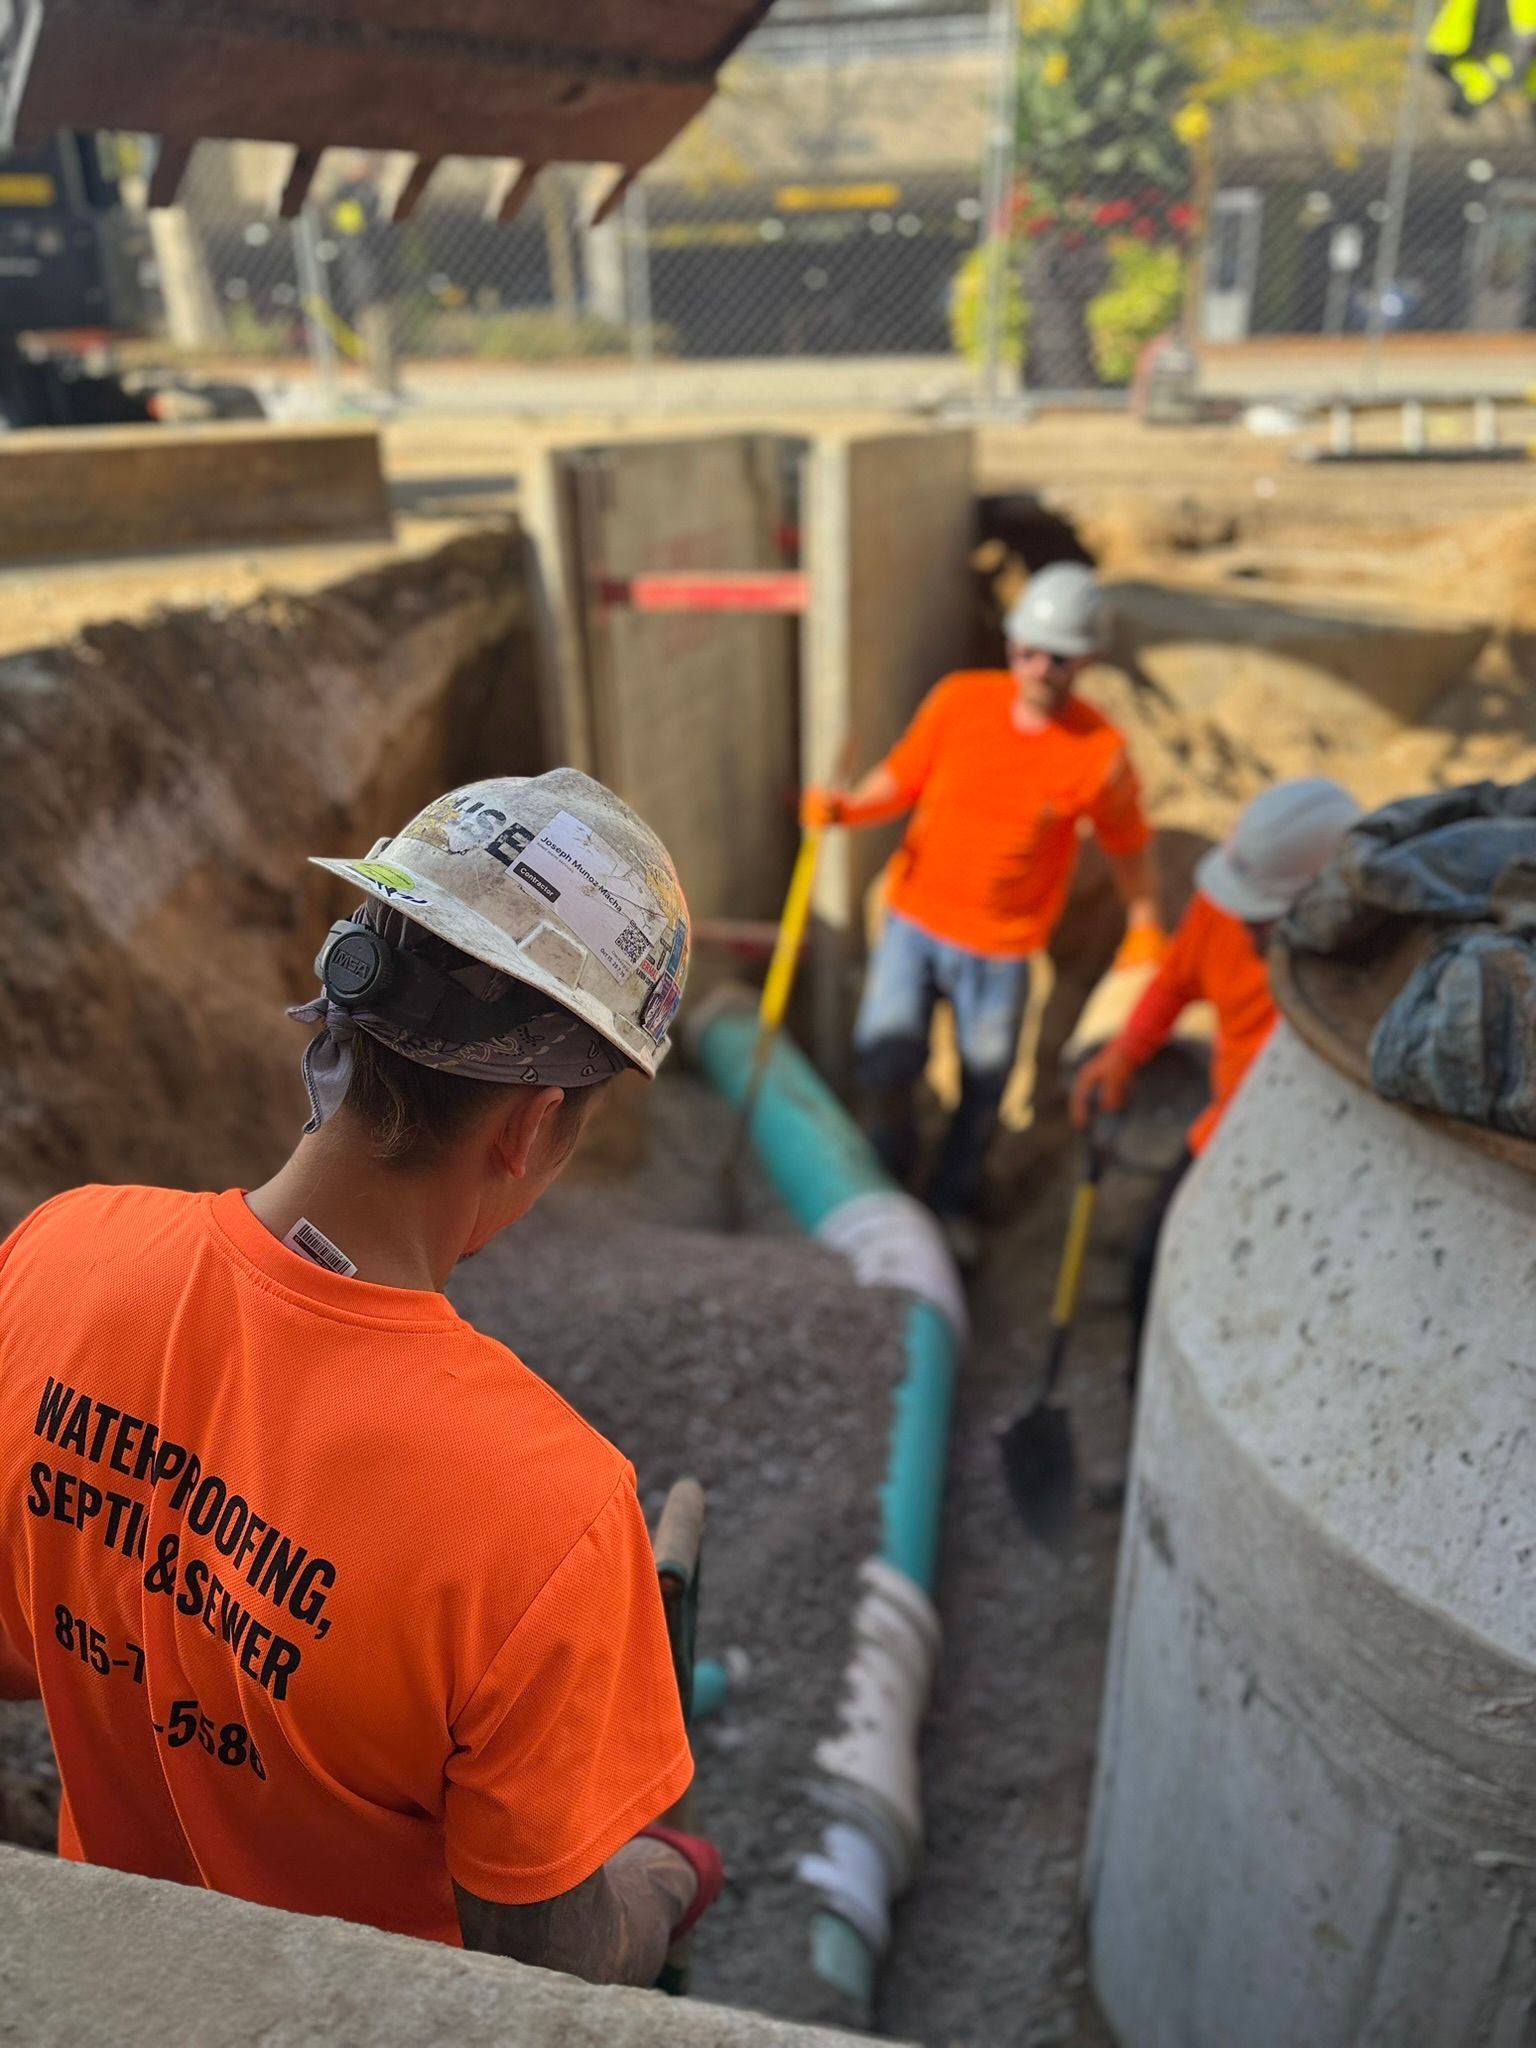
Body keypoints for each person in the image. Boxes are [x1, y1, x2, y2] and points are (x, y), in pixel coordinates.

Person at [0, 769, 721, 1984]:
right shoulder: (553, 1515)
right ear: (532, 1126)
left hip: (107, 1994)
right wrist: (660, 1882)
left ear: (342, 1000)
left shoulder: (54, 1255)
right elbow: (545, 1971)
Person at [804, 562, 1163, 1266]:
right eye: (1023, 648)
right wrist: (848, 810)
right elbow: (902, 776)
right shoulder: (959, 702)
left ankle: (948, 1202)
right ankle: (888, 1173)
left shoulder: (1101, 755)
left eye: (1055, 656)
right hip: (914, 921)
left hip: (1002, 949)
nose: (1034, 666)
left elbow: (1129, 847)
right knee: (884, 1058)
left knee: (985, 1086)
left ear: (1087, 659)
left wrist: (1145, 921)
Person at [1071, 777, 1361, 1366]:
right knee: (1154, 1269)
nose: (1245, 923)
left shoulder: (1364, 968)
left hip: (1313, 1171)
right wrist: (1124, 1053)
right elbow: (1177, 980)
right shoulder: (1225, 909)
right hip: (1225, 1137)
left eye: (1265, 916)